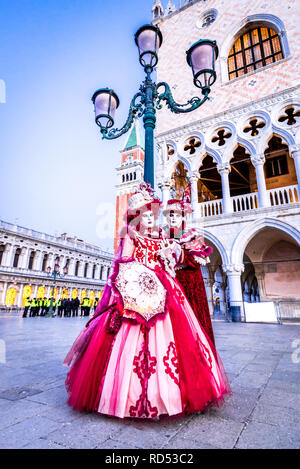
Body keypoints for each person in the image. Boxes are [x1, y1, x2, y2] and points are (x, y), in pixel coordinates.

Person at [64, 183, 231, 419]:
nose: (151, 218)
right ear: (137, 216)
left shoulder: (163, 235)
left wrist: (173, 254)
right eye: (146, 213)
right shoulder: (130, 235)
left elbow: (174, 257)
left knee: (178, 337)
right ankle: (126, 396)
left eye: (153, 213)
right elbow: (123, 264)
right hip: (137, 290)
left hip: (166, 290)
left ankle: (172, 396)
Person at [163, 198, 215, 345]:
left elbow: (197, 261)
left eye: (177, 215)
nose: (173, 218)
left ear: (183, 217)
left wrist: (179, 254)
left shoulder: (191, 236)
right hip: (167, 284)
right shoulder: (161, 236)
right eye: (170, 215)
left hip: (188, 285)